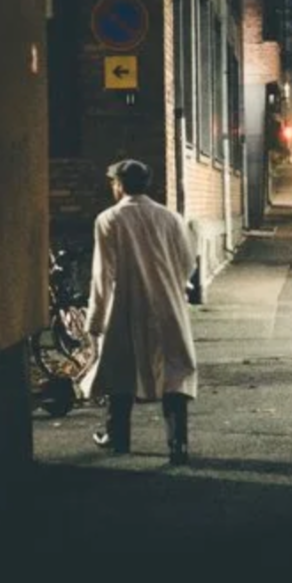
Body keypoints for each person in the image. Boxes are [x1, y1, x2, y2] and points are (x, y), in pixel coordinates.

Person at [85, 158, 198, 465]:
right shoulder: (170, 218)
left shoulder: (108, 219)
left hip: (126, 303)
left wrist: (95, 320)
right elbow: (188, 262)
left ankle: (118, 437)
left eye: (113, 183)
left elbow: (102, 274)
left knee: (120, 369)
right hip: (167, 303)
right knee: (174, 370)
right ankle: (178, 444)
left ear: (119, 185)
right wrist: (175, 285)